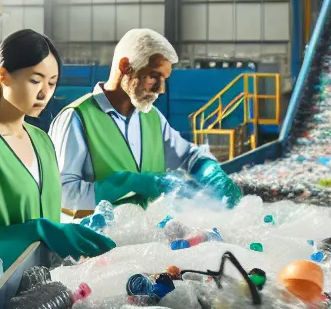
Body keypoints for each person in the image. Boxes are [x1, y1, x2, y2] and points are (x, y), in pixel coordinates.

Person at [0, 29, 115, 266]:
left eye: (52, 83)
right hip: (1, 287)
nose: (44, 93)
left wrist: (67, 231)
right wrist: (34, 232)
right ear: (3, 75)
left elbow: (47, 211)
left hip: (47, 285)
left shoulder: (42, 141)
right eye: (35, 80)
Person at [48, 27, 241, 213]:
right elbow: (59, 194)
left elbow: (188, 157)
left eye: (164, 79)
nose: (161, 89)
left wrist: (212, 175)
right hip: (94, 242)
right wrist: (127, 184)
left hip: (147, 240)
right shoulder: (76, 118)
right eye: (153, 76)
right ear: (125, 66)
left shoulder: (152, 118)